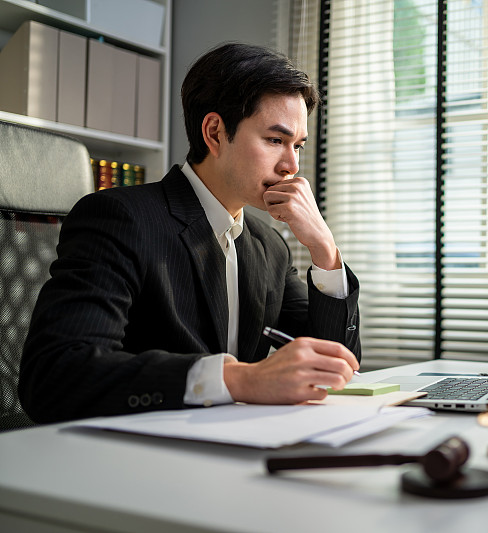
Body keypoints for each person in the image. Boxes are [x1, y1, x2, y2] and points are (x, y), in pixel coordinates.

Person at [18, 43, 360, 423]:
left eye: (297, 145)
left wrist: (324, 250)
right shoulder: (120, 218)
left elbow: (335, 368)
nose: (292, 166)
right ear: (214, 133)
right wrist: (239, 380)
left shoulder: (269, 246)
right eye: (275, 140)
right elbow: (55, 377)